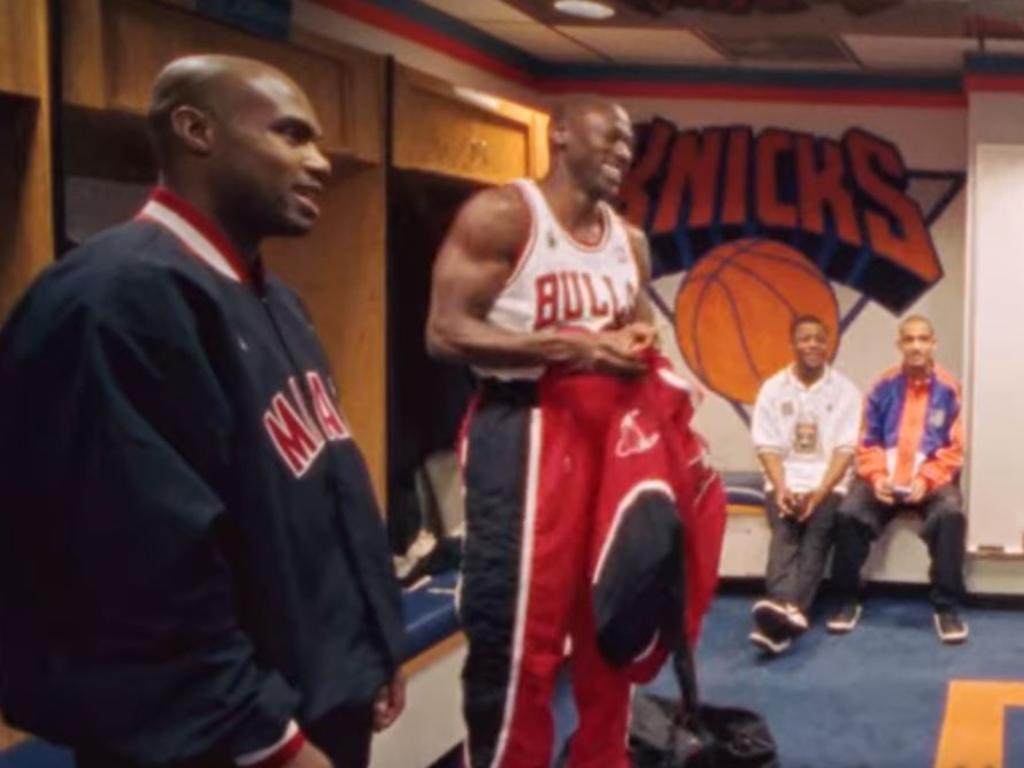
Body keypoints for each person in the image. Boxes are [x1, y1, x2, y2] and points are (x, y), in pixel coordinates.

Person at [0, 55, 405, 768]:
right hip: (217, 741)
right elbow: (134, 576)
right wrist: (264, 740)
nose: (319, 162)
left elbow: (322, 500)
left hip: (314, 699)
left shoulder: (276, 302)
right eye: (290, 135)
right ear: (196, 131)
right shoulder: (114, 301)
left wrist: (369, 648)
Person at [426, 97, 660, 768]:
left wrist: (637, 345)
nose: (623, 147)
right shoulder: (504, 216)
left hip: (606, 440)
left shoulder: (629, 241)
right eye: (609, 132)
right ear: (559, 131)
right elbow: (444, 331)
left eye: (631, 141)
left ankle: (602, 757)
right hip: (521, 429)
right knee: (516, 627)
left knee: (614, 617)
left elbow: (639, 330)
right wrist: (573, 348)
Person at [827, 315, 969, 644]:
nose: (916, 345)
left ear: (934, 343)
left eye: (923, 338)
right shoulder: (881, 386)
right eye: (909, 339)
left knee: (950, 514)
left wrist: (927, 480)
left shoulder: (950, 389)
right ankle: (847, 599)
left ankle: (946, 607)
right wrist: (877, 477)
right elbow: (867, 441)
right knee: (848, 513)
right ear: (899, 345)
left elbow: (954, 448)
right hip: (884, 480)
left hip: (930, 481)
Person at [748, 315, 861, 655]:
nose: (812, 344)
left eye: (819, 339)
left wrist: (819, 493)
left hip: (828, 484)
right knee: (784, 536)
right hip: (784, 481)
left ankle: (782, 610)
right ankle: (791, 612)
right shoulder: (772, 388)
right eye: (805, 339)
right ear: (793, 344)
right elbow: (767, 447)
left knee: (815, 537)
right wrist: (781, 490)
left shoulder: (845, 390)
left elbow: (844, 451)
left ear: (828, 345)